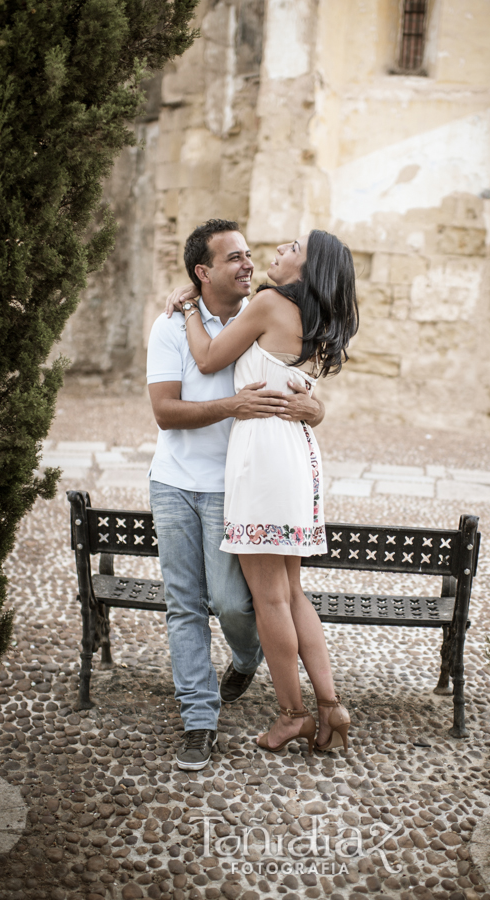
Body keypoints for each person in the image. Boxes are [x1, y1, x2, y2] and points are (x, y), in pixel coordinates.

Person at [167, 229, 358, 754]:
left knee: (270, 596)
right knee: (293, 593)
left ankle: (292, 715)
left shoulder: (271, 304)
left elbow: (207, 359)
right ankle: (329, 706)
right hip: (296, 457)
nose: (277, 253)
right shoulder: (319, 321)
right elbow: (308, 400)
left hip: (263, 461)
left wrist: (186, 308)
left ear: (308, 267)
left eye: (290, 249)